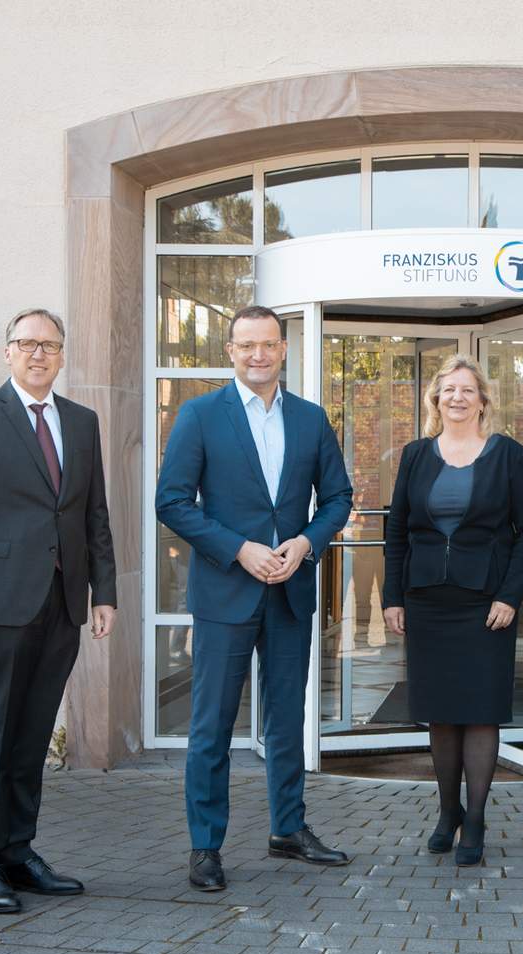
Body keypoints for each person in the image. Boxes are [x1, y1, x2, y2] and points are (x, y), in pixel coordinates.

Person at [155, 305, 354, 892]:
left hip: (290, 592)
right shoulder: (199, 415)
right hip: (226, 592)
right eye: (247, 346)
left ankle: (288, 830)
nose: (258, 355)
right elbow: (172, 503)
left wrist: (307, 542)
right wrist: (239, 549)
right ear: (231, 350)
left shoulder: (312, 420)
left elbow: (338, 498)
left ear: (284, 349)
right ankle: (205, 846)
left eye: (268, 344)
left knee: (287, 718)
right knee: (211, 724)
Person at [0, 307, 117, 913]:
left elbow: (94, 515)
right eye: (27, 343)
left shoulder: (82, 422)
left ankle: (17, 851)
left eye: (50, 345)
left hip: (63, 602)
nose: (39, 354)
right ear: (7, 353)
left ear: (62, 356)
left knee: (34, 734)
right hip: (0, 604)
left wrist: (105, 591)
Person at [381, 355, 523, 867]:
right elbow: (396, 530)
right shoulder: (415, 455)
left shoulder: (509, 456)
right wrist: (392, 596)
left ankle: (475, 817)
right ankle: (446, 813)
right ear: (435, 400)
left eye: (467, 390)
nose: (457, 397)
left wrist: (509, 595)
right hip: (427, 600)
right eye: (448, 390)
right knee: (441, 713)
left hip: (485, 602)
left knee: (479, 710)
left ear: (483, 400)